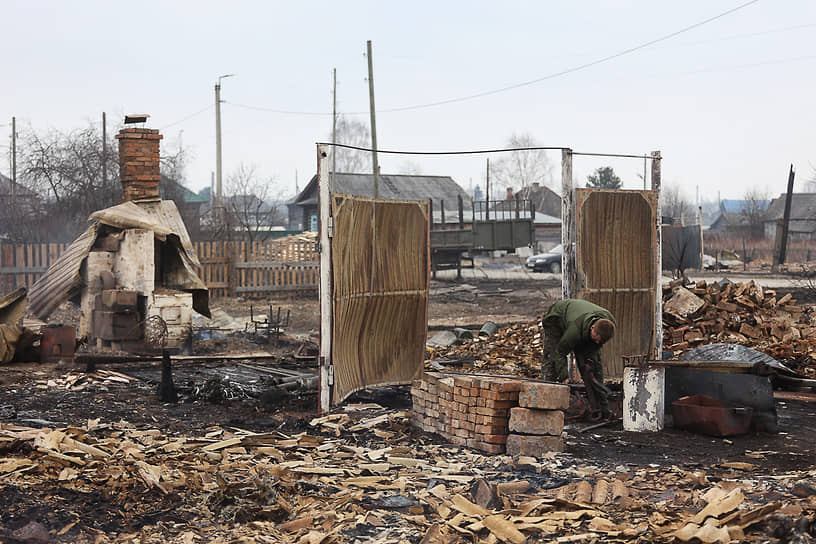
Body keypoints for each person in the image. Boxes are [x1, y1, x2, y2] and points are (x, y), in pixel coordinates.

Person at [540, 298, 616, 420]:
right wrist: (564, 377)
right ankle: (544, 405)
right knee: (552, 359)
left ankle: (603, 409)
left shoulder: (609, 323)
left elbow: (594, 361)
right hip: (557, 318)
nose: (598, 342)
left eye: (601, 341)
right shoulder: (574, 331)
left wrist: (590, 367)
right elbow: (560, 353)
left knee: (594, 366)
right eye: (597, 339)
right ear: (592, 328)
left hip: (581, 323)